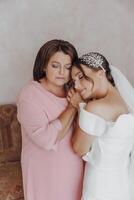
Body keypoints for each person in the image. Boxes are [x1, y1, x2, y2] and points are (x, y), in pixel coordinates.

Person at [17, 39, 84, 200]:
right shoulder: (30, 94)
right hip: (44, 169)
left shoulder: (75, 91)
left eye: (67, 67)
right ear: (44, 66)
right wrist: (72, 107)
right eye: (55, 65)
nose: (62, 72)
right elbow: (47, 140)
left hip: (73, 165)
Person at [68, 52, 134, 200]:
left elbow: (79, 148)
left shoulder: (95, 108)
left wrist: (80, 107)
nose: (77, 86)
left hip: (99, 185)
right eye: (73, 81)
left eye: (80, 77)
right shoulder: (126, 103)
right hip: (122, 186)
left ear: (100, 73)